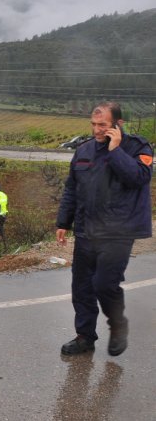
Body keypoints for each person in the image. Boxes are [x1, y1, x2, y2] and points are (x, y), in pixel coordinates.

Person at [56, 101, 152, 356]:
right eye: (94, 124)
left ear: (118, 125)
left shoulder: (137, 147)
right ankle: (84, 337)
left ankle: (118, 324)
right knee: (82, 287)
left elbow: (139, 178)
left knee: (104, 284)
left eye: (103, 125)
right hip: (87, 229)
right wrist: (63, 222)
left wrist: (115, 150)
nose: (97, 130)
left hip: (118, 231)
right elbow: (72, 188)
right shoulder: (84, 150)